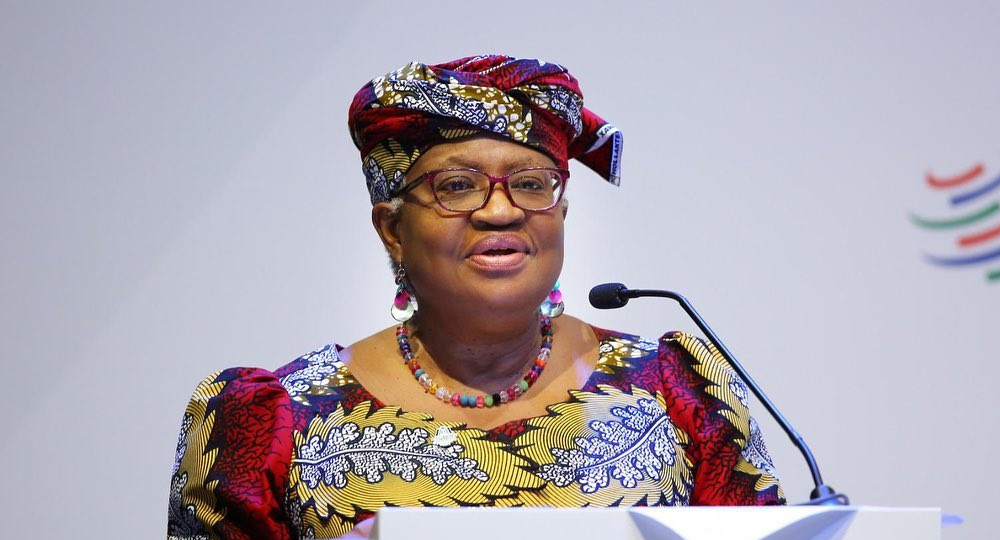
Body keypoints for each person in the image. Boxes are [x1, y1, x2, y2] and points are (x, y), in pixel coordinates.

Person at [167, 55, 784, 540]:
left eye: (531, 184)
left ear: (561, 214)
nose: (500, 211)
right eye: (457, 186)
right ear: (392, 229)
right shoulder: (275, 419)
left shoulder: (677, 390)